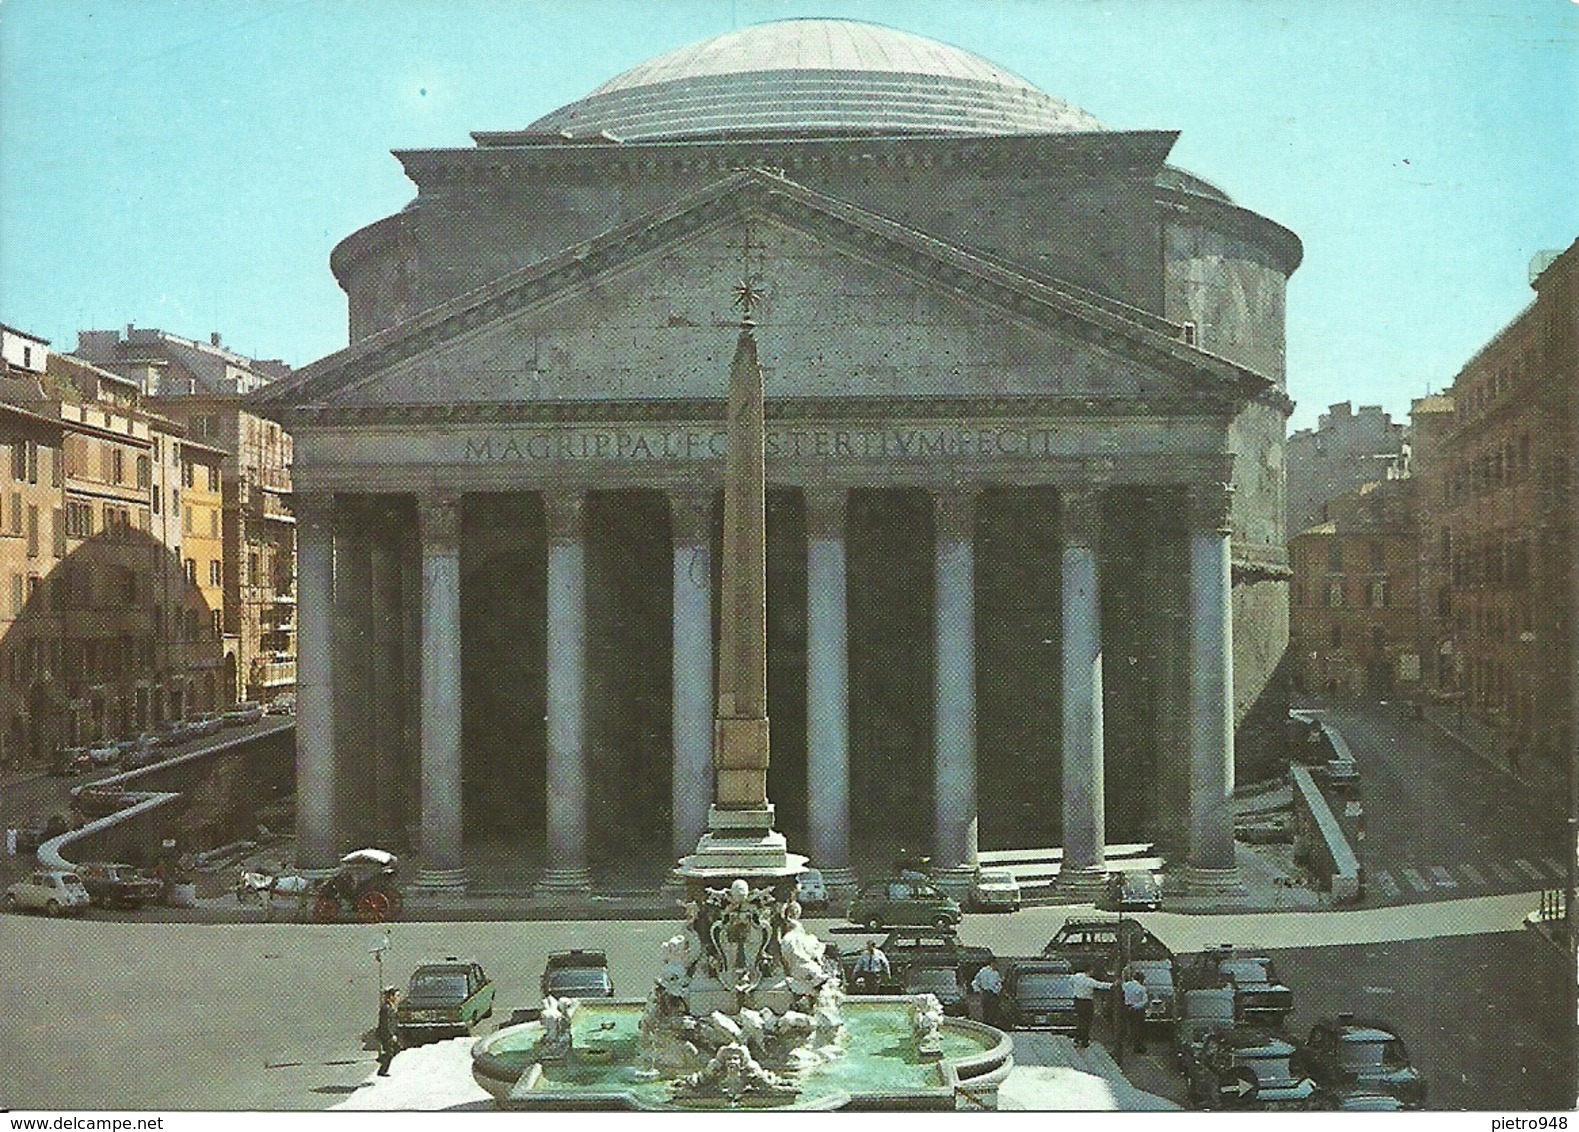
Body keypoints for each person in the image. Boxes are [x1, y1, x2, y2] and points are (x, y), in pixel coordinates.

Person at [1069, 968, 1113, 1049]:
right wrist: (1112, 985)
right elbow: (1100, 985)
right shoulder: (1089, 981)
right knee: (1087, 1021)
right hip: (1087, 1002)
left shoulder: (1076, 976)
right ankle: (1084, 1040)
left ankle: (1077, 1038)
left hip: (1077, 1001)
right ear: (1090, 971)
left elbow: (1070, 981)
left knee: (1080, 1019)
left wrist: (1076, 989)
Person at [1120, 969, 1151, 1054]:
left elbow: (1121, 995)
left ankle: (1127, 1043)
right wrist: (1136, 1006)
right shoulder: (1142, 988)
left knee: (1129, 1026)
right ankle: (1138, 1046)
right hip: (1138, 1010)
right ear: (1141, 980)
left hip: (1126, 1008)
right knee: (1139, 1028)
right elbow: (1145, 1001)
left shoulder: (1125, 985)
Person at [376, 986, 402, 1076]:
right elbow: (386, 1024)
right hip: (386, 1034)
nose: (399, 998)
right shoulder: (386, 1008)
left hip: (388, 1034)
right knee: (390, 1052)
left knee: (395, 1050)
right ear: (391, 997)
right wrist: (391, 1035)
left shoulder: (390, 1007)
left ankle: (382, 1061)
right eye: (397, 995)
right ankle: (382, 1071)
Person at [970, 962, 1004, 1027]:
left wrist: (997, 991)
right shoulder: (983, 971)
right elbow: (975, 982)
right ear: (992, 963)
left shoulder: (996, 973)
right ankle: (987, 1024)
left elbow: (999, 983)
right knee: (986, 1010)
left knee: (994, 1010)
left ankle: (992, 1024)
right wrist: (978, 990)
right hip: (985, 992)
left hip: (993, 994)